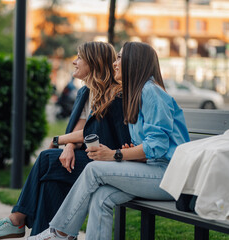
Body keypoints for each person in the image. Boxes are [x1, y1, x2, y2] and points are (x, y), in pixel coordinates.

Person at [29, 41, 191, 240]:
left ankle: (60, 233)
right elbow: (149, 145)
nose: (115, 63)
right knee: (101, 196)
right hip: (152, 171)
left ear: (135, 62)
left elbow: (157, 146)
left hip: (169, 177)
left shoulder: (151, 92)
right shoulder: (137, 94)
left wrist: (115, 154)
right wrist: (133, 153)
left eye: (121, 58)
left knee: (94, 169)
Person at [0, 41, 131, 239]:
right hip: (89, 157)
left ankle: (16, 219)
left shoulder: (115, 95)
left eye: (79, 57)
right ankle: (38, 233)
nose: (74, 62)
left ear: (93, 63)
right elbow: (82, 128)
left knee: (46, 159)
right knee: (53, 179)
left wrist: (58, 139)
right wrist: (67, 146)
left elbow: (97, 134)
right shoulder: (87, 92)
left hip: (107, 161)